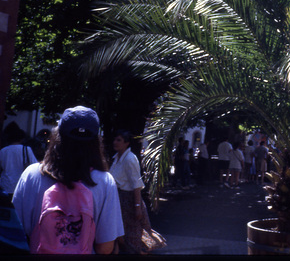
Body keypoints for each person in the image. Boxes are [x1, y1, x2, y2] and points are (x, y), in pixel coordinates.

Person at [12, 106, 124, 254]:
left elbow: (15, 232)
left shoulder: (32, 175)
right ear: (96, 142)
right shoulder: (104, 182)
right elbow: (105, 247)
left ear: (57, 137)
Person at [110, 130, 166, 254]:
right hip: (119, 202)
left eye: (119, 140)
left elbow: (136, 185)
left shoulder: (129, 159)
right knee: (122, 235)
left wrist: (137, 206)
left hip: (129, 201)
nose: (115, 142)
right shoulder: (116, 158)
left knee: (134, 236)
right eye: (115, 139)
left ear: (126, 143)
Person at [0, 123, 38, 196]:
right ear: (22, 138)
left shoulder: (3, 150)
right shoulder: (26, 149)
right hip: (21, 184)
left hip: (5, 185)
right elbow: (35, 164)